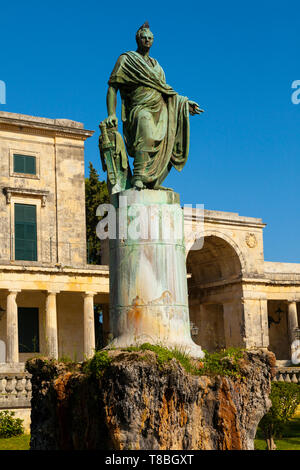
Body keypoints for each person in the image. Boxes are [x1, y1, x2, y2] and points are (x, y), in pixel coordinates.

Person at [103, 22, 203, 190]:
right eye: (144, 38)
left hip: (161, 108)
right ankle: (139, 176)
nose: (147, 40)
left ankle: (154, 181)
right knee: (147, 134)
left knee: (168, 142)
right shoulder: (127, 59)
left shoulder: (158, 66)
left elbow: (165, 90)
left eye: (150, 38)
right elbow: (113, 87)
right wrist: (111, 113)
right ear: (138, 39)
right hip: (140, 107)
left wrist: (184, 102)